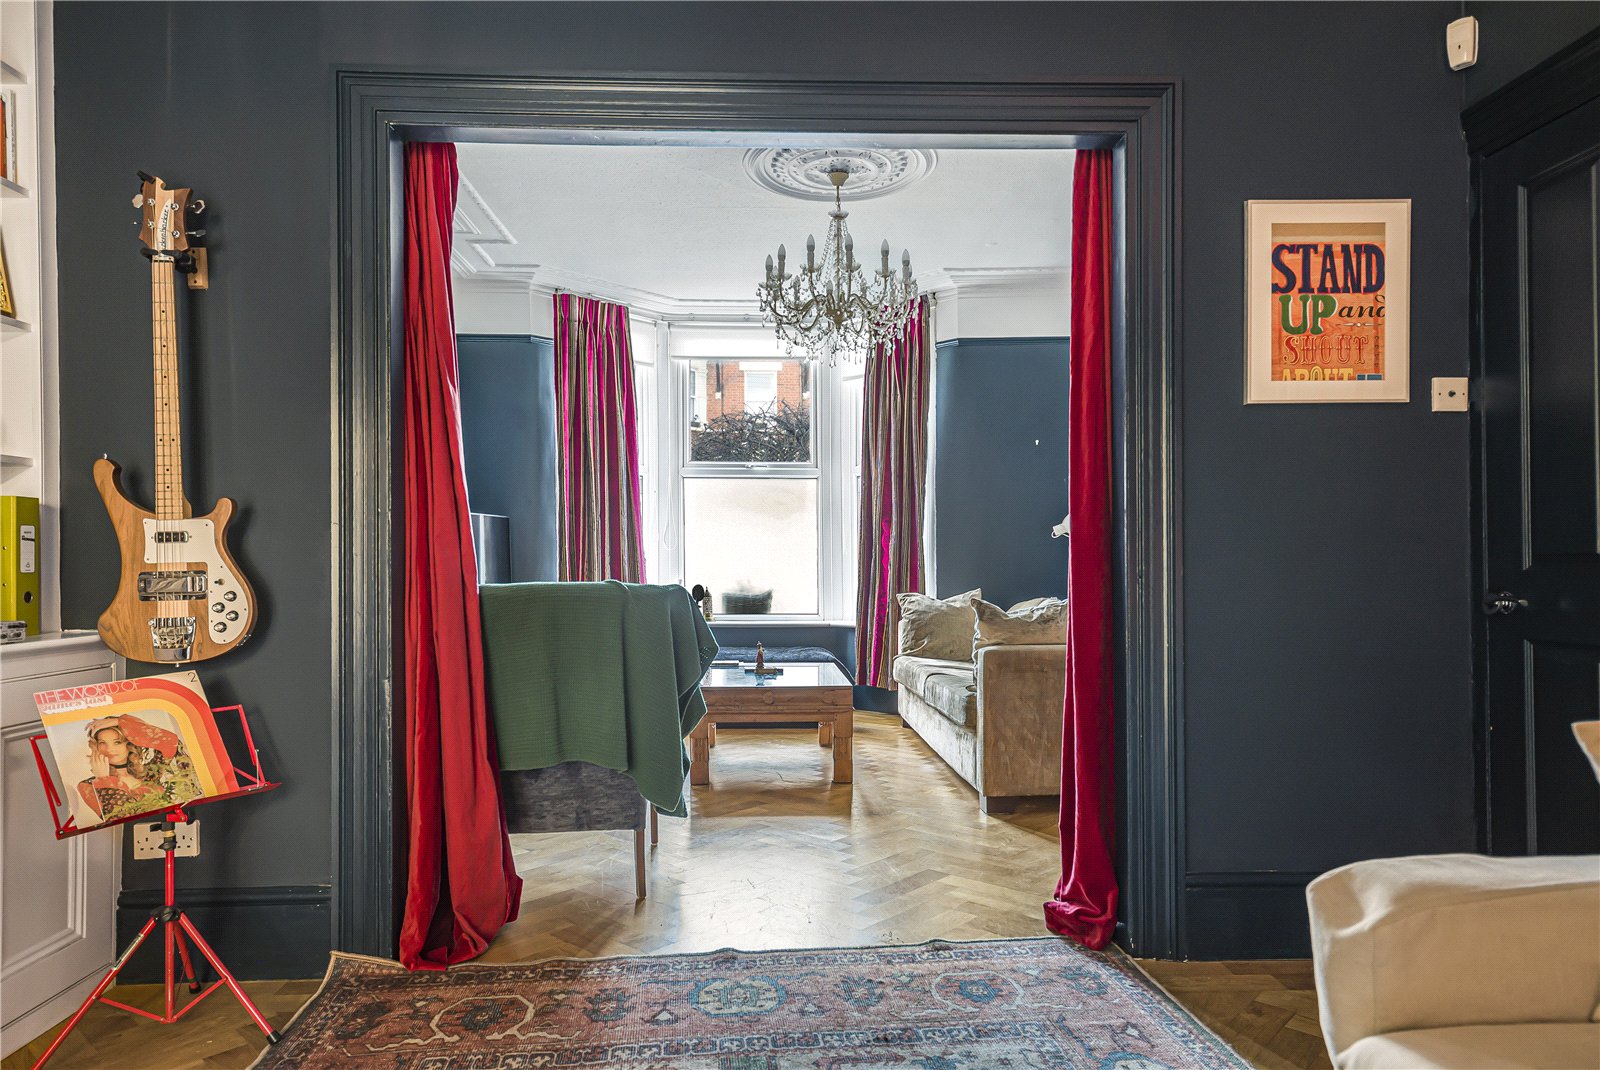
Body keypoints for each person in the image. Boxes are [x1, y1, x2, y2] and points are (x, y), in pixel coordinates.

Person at [76, 714, 202, 823]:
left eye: (117, 742)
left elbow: (170, 742)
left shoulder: (148, 774)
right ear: (96, 747)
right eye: (102, 743)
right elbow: (119, 816)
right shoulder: (88, 786)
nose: (109, 749)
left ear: (129, 745)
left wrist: (121, 722)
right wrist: (103, 779)